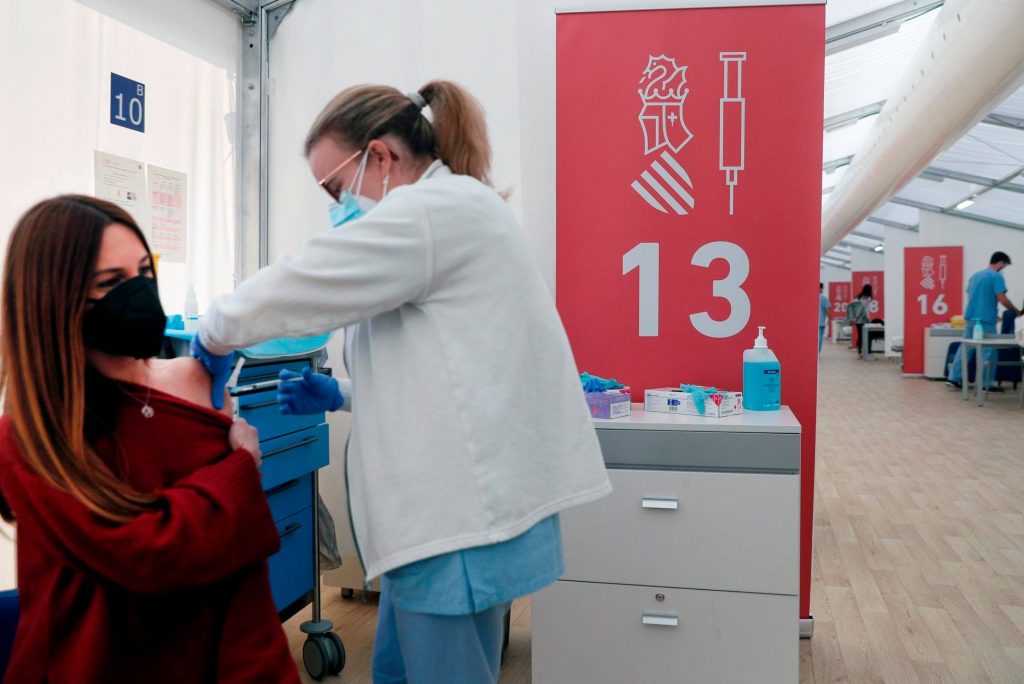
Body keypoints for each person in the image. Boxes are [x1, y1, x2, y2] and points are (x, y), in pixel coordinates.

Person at [189, 82, 611, 684]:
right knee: (398, 669)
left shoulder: (430, 213)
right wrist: (341, 395)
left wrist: (212, 334)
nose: (337, 206)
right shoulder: (456, 211)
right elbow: (451, 373)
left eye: (335, 187)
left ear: (380, 156)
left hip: (456, 521)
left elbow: (307, 281)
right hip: (460, 512)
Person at [0, 196, 299, 683]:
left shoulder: (194, 383)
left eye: (143, 272)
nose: (138, 293)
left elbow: (239, 580)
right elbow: (145, 552)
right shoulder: (32, 441)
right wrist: (240, 467)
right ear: (53, 301)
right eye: (110, 283)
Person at [946, 251, 1021, 391]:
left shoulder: (975, 276)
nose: (1003, 269)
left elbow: (972, 296)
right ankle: (985, 384)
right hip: (985, 320)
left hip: (971, 317)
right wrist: (1015, 311)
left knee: (965, 348)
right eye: (1004, 266)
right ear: (1000, 263)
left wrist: (987, 311)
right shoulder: (996, 277)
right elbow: (1002, 299)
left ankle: (953, 378)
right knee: (988, 351)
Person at [847, 283, 874, 360]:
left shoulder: (859, 297)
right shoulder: (866, 298)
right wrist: (856, 317)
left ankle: (860, 351)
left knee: (860, 335)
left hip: (859, 320)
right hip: (863, 319)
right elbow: (862, 309)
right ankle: (864, 352)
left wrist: (855, 318)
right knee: (865, 336)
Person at [819, 282, 830, 354]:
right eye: (822, 288)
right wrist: (829, 319)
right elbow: (827, 310)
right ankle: (817, 352)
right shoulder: (824, 298)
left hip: (812, 323)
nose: (822, 290)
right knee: (819, 338)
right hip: (821, 322)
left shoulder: (810, 297)